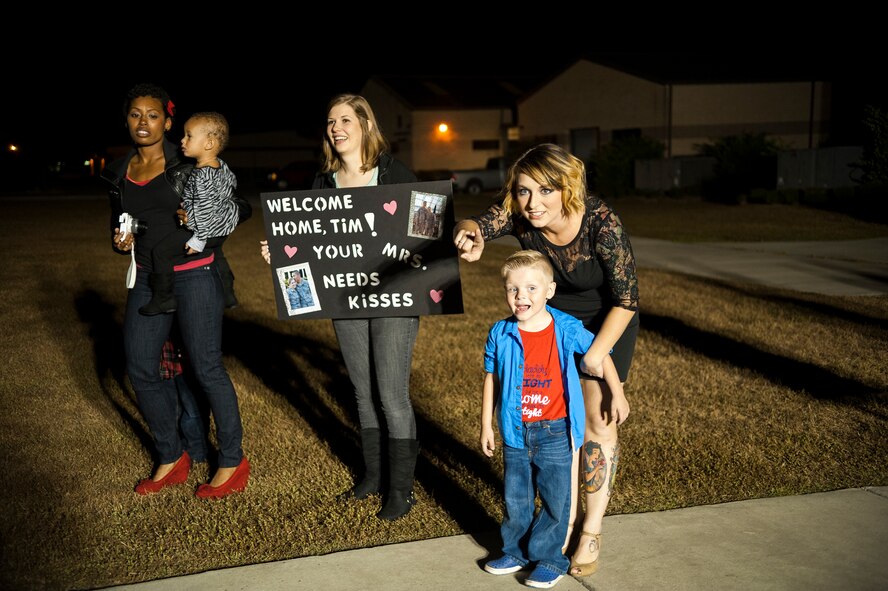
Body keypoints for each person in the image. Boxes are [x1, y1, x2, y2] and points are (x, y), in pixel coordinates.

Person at [454, 143, 638, 576]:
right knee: (557, 419)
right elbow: (477, 223)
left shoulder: (601, 221)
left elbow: (627, 298)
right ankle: (563, 519)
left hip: (606, 317)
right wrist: (469, 234)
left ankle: (589, 528)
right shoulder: (520, 212)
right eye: (522, 192)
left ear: (568, 187)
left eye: (545, 191)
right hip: (546, 316)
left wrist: (597, 351)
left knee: (596, 420)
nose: (532, 203)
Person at [260, 94, 420, 520]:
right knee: (363, 394)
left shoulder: (394, 174)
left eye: (346, 119)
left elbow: (424, 230)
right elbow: (312, 250)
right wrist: (282, 254)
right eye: (331, 121)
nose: (336, 127)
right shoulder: (321, 184)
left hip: (393, 299)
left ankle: (401, 490)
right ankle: (372, 476)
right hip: (345, 298)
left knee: (391, 394)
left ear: (366, 125)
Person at [102, 83, 251, 498]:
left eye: (152, 115)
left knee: (205, 368)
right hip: (148, 277)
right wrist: (121, 239)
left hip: (195, 273)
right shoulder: (118, 171)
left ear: (167, 121)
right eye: (135, 114)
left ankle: (232, 460)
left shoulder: (191, 157)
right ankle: (172, 456)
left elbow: (238, 207)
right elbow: (123, 220)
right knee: (141, 367)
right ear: (127, 120)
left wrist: (202, 229)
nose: (143, 122)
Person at [481, 250, 626, 589]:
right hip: (516, 432)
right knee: (516, 497)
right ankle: (515, 552)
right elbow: (492, 377)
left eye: (532, 288)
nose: (521, 297)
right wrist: (487, 424)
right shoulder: (500, 333)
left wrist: (617, 393)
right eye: (513, 289)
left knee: (555, 499)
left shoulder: (565, 328)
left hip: (555, 431)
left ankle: (550, 559)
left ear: (550, 290)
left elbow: (600, 355)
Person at [139, 112, 240, 316]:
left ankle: (164, 299)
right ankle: (228, 292)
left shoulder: (202, 175)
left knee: (160, 252)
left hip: (202, 230)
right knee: (217, 252)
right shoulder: (220, 165)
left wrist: (198, 239)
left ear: (209, 143)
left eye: (189, 136)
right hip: (220, 229)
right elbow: (231, 184)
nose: (182, 140)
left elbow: (203, 209)